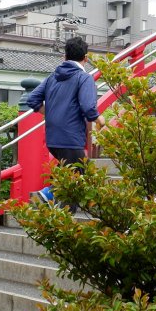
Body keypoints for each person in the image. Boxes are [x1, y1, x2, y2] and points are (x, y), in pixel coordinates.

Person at [27, 36, 100, 210]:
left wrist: (50, 113)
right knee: (82, 174)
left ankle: (66, 220)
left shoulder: (52, 77)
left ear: (64, 57)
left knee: (72, 182)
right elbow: (88, 107)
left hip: (53, 139)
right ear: (86, 58)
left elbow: (32, 99)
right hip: (71, 138)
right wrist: (99, 119)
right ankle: (48, 193)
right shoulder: (84, 78)